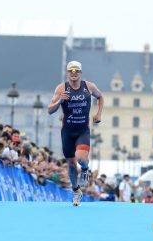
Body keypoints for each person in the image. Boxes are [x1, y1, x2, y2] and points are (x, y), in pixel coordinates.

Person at [47, 60, 104, 206]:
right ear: (67, 73)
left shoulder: (89, 87)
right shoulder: (61, 89)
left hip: (82, 130)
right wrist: (60, 100)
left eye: (76, 71)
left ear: (80, 73)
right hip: (67, 131)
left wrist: (98, 114)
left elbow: (100, 97)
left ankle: (85, 169)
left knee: (80, 158)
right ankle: (76, 190)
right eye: (71, 71)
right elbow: (50, 109)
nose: (74, 74)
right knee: (71, 164)